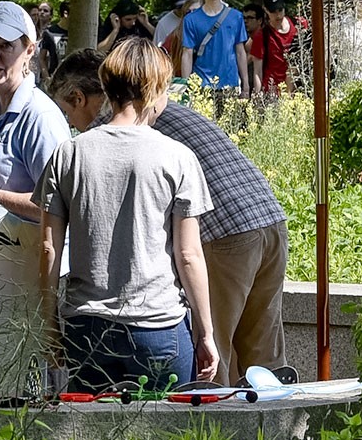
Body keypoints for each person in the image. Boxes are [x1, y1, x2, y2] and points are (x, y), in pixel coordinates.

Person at [48, 50, 291, 381]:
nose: (70, 124)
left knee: (210, 370)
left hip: (223, 237)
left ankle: (212, 431)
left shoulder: (107, 130)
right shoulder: (168, 111)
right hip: (269, 221)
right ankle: (271, 427)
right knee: (263, 367)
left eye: (66, 113)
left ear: (79, 99)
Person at [33, 38, 221, 392]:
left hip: (85, 328)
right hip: (158, 327)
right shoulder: (177, 157)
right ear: (155, 91)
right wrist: (206, 332)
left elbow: (48, 251)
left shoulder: (68, 154)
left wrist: (48, 325)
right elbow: (188, 255)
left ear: (106, 86)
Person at [0, 1, 67, 223]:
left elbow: (59, 205)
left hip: (30, 254)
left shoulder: (40, 118)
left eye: (5, 46)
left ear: (29, 50)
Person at [171, 0, 247, 90]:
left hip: (230, 84)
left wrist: (246, 85)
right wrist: (186, 87)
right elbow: (187, 53)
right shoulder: (191, 19)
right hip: (201, 84)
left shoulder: (236, 17)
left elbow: (240, 52)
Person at [245, 0, 302, 97]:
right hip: (272, 93)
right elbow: (257, 72)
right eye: (273, 11)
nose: (278, 15)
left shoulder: (300, 26)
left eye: (280, 10)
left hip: (297, 92)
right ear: (265, 10)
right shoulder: (262, 36)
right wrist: (258, 99)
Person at [153, 0, 195, 70]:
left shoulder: (197, 18)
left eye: (186, 5)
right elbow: (157, 53)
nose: (183, 9)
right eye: (180, 7)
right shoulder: (163, 24)